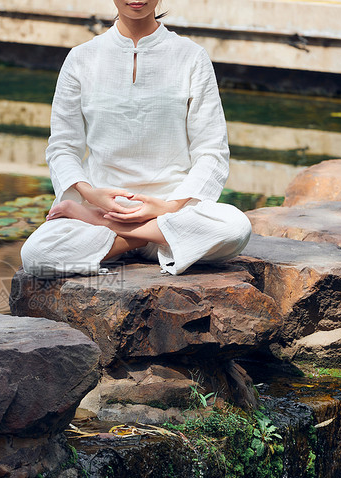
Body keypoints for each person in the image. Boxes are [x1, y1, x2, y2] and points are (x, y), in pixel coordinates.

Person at [20, 0, 251, 277]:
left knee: (236, 228)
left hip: (169, 214)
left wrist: (168, 206)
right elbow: (63, 147)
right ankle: (133, 232)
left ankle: (120, 233)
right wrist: (89, 193)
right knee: (36, 255)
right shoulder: (82, 58)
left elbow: (211, 150)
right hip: (105, 207)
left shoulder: (190, 56)